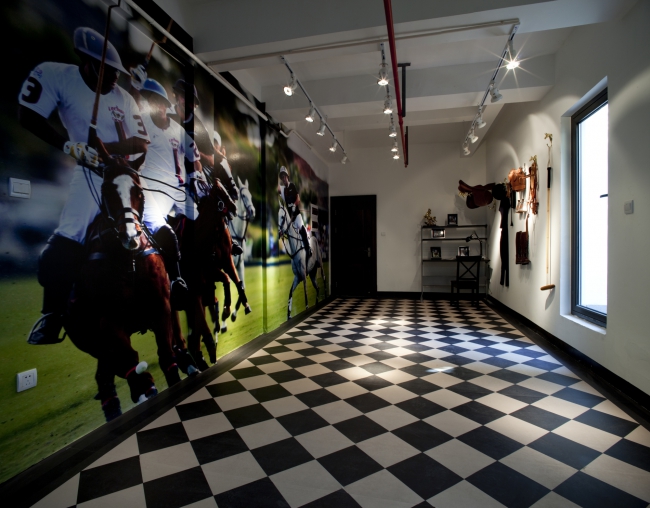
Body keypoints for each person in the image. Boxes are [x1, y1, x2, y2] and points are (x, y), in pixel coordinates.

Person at [20, 27, 150, 345]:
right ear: (89, 64)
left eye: (117, 72)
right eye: (108, 71)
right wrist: (69, 146)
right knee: (69, 236)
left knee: (159, 229)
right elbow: (28, 115)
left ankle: (170, 286)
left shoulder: (124, 97)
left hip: (126, 175)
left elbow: (141, 142)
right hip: (91, 174)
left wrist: (103, 149)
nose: (115, 78)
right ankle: (53, 315)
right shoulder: (58, 76)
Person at [129, 77, 205, 306]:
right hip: (151, 189)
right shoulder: (141, 125)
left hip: (177, 190)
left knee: (202, 221)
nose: (158, 106)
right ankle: (176, 280)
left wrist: (195, 177)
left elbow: (196, 160)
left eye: (160, 102)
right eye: (151, 101)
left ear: (165, 104)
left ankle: (205, 264)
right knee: (164, 231)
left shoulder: (178, 130)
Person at [278, 166, 311, 260]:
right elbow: (277, 188)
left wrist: (294, 205)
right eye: (282, 177)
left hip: (297, 215)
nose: (283, 178)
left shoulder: (292, 186)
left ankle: (308, 249)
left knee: (301, 228)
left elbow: (298, 199)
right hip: (290, 219)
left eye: (284, 176)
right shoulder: (283, 190)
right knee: (288, 233)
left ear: (287, 177)